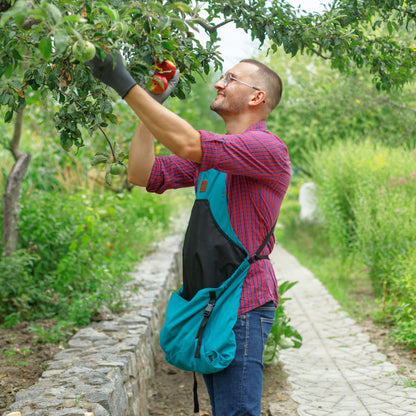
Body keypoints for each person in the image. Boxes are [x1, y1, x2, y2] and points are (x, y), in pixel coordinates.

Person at [87, 52, 291, 416]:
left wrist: (126, 86)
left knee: (236, 412)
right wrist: (151, 103)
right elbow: (141, 172)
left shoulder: (268, 149)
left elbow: (188, 143)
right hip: (210, 300)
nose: (219, 83)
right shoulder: (210, 158)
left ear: (257, 97)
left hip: (242, 302)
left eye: (230, 78)